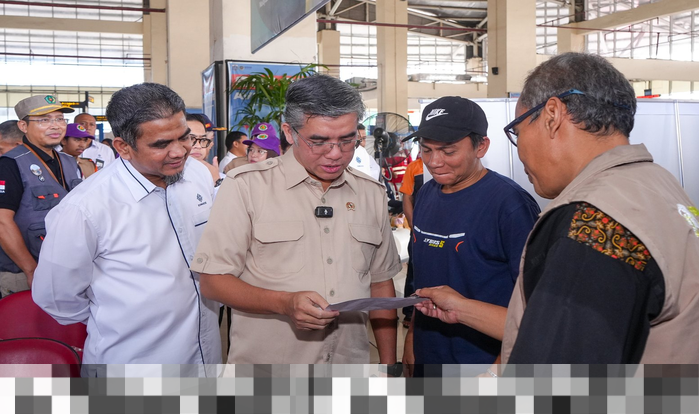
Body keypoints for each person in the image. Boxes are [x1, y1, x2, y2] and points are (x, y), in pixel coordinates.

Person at [495, 53, 699, 366]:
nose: (519, 149)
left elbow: (555, 386)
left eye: (518, 132)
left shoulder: (593, 222)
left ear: (552, 115)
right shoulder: (662, 189)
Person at [191, 74, 401, 365]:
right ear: (289, 133)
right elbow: (213, 282)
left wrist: (389, 366)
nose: (335, 154)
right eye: (318, 141)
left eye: (347, 140)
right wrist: (284, 303)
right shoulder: (246, 187)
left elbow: (380, 283)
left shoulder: (370, 193)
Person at [32, 83, 222, 376]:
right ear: (123, 147)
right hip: (133, 366)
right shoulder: (85, 208)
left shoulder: (197, 175)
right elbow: (57, 297)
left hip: (206, 355)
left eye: (184, 137)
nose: (179, 151)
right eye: (161, 144)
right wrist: (120, 317)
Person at [400, 96, 540, 376]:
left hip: (481, 363)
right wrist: (413, 339)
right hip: (429, 357)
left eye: (448, 151)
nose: (434, 162)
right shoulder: (426, 194)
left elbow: (533, 304)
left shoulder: (510, 205)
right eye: (426, 150)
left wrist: (497, 372)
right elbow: (423, 282)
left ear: (481, 146)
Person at [0, 95, 80, 298]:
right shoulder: (10, 164)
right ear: (23, 126)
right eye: (44, 120)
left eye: (60, 119)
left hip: (65, 269)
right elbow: (2, 222)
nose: (55, 126)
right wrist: (30, 270)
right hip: (25, 273)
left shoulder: (69, 162)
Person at [397, 157, 424, 327]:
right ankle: (409, 311)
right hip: (418, 230)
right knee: (414, 269)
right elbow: (407, 199)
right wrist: (414, 226)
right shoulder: (414, 167)